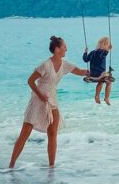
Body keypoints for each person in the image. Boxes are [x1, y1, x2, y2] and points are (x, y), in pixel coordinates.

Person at [9, 35, 89, 168]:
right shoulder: (45, 65)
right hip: (37, 100)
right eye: (64, 47)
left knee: (53, 133)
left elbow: (80, 71)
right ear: (57, 49)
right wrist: (40, 95)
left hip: (52, 101)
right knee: (25, 133)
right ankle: (11, 166)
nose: (66, 49)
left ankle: (51, 167)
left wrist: (97, 73)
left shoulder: (64, 64)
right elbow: (30, 81)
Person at [83, 36, 113, 105]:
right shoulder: (103, 53)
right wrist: (109, 48)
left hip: (92, 74)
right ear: (106, 45)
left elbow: (85, 60)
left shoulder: (92, 52)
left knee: (101, 82)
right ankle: (106, 98)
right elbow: (106, 52)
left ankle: (97, 95)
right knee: (109, 82)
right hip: (101, 74)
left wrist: (85, 52)